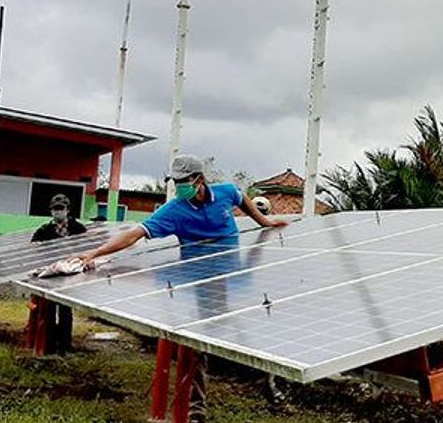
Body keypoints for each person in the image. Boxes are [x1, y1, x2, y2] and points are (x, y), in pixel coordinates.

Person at [78, 154, 289, 423]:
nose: (179, 187)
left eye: (183, 181)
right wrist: (96, 252)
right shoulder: (174, 209)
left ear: (199, 179)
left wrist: (265, 221)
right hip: (197, 283)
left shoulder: (224, 192)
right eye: (175, 182)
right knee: (196, 346)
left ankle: (264, 377)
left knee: (251, 328)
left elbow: (240, 197)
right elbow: (135, 234)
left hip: (231, 277)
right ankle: (196, 409)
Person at [30, 194, 88, 353]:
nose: (58, 212)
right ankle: (48, 346)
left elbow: (87, 247)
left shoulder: (78, 229)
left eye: (61, 208)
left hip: (70, 277)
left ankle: (64, 346)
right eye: (55, 209)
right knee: (48, 311)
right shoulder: (44, 230)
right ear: (51, 211)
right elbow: (33, 250)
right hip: (50, 277)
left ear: (68, 210)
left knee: (65, 311)